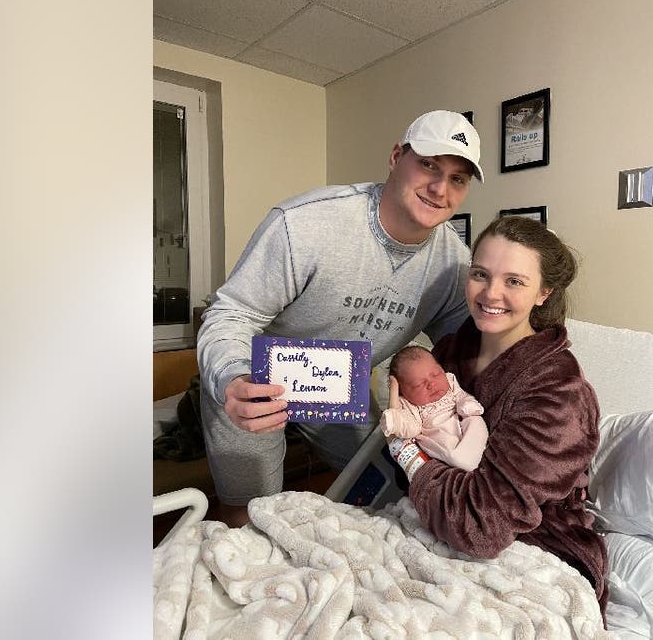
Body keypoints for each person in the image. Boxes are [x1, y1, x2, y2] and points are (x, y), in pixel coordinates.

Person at [196, 110, 484, 528]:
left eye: (458, 178)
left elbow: (468, 346)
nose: (440, 188)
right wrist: (232, 379)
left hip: (339, 388)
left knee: (384, 489)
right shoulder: (306, 223)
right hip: (255, 380)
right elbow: (229, 315)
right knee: (250, 517)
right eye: (428, 165)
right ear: (396, 157)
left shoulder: (453, 263)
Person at [388, 215, 609, 622]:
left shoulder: (558, 391)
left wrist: (409, 456)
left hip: (539, 547)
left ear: (544, 292)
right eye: (480, 274)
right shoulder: (455, 349)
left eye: (514, 281)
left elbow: (480, 524)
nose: (491, 293)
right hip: (433, 523)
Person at [381, 345, 488, 472]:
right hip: (439, 435)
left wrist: (467, 404)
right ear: (403, 393)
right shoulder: (409, 405)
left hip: (463, 421)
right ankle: (469, 462)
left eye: (436, 374)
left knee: (475, 420)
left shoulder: (450, 379)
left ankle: (484, 451)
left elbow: (461, 395)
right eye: (418, 384)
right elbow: (411, 428)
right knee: (447, 447)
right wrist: (394, 419)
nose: (431, 383)